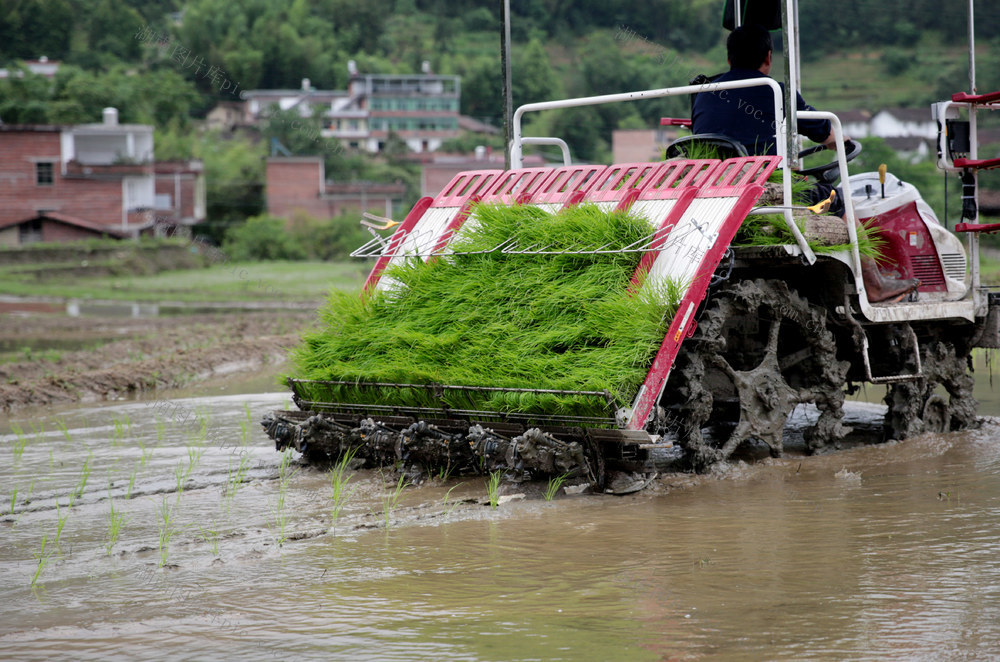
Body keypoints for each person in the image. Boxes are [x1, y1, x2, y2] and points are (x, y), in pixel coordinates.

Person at [691, 24, 919, 303]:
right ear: (769, 57)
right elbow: (826, 133)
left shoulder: (704, 94)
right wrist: (839, 139)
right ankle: (874, 284)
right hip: (764, 193)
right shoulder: (775, 92)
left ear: (729, 59)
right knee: (836, 198)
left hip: (718, 191)